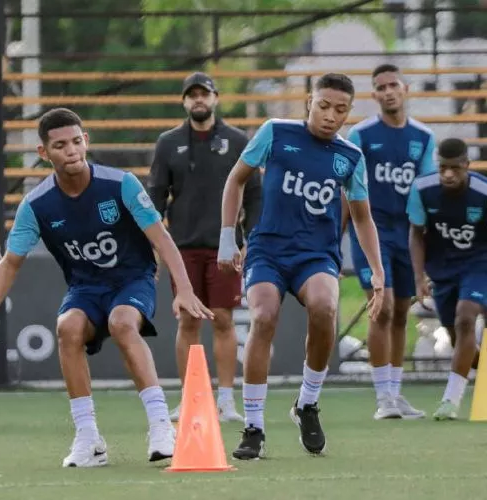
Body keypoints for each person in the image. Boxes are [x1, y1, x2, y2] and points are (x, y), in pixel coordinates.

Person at [0, 108, 213, 468]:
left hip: (133, 278)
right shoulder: (36, 205)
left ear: (85, 141)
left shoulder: (121, 184)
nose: (71, 150)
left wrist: (184, 289)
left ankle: (161, 426)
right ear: (44, 153)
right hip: (85, 287)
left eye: (76, 141)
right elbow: (10, 263)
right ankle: (89, 438)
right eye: (59, 146)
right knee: (67, 327)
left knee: (121, 322)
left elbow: (162, 239)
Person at [218, 73, 385, 460]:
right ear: (309, 102)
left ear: (348, 112)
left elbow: (362, 218)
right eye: (323, 106)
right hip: (268, 250)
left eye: (340, 110)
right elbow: (236, 180)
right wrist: (228, 236)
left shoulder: (350, 157)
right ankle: (254, 427)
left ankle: (307, 403)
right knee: (263, 316)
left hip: (316, 255)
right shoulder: (276, 132)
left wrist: (377, 272)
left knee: (325, 307)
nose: (330, 116)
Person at [148, 71, 262, 422]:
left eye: (204, 94)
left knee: (224, 319)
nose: (199, 99)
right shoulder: (168, 143)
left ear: (215, 98)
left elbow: (254, 194)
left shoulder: (238, 140)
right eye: (192, 95)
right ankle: (191, 398)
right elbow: (156, 196)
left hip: (224, 246)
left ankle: (226, 400)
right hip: (181, 246)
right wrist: (154, 245)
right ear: (184, 101)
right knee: (188, 320)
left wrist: (250, 238)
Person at [344, 64, 436, 420]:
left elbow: (427, 192)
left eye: (393, 85)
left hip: (407, 235)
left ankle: (395, 394)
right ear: (374, 95)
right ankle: (382, 397)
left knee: (400, 311)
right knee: (380, 308)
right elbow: (347, 188)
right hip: (373, 232)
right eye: (380, 87)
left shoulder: (423, 137)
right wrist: (335, 239)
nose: (387, 92)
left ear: (405, 89)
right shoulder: (362, 135)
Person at [406, 137, 485, 420]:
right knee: (456, 336)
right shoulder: (422, 189)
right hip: (442, 271)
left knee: (466, 317)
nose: (448, 174)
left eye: (455, 168)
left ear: (467, 165)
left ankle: (450, 400)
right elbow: (416, 234)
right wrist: (419, 277)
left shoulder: (483, 192)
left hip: (478, 265)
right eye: (443, 168)